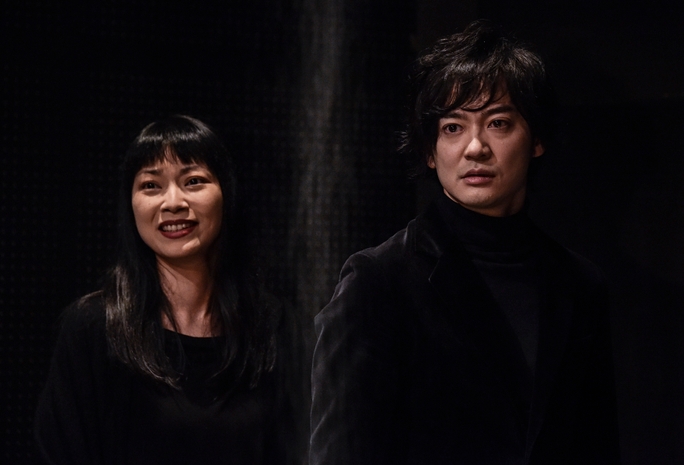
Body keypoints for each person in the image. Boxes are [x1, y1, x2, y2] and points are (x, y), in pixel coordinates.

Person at [310, 21, 620, 464]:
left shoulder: (580, 286)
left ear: (536, 139)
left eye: (498, 123)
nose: (475, 148)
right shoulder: (378, 282)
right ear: (430, 151)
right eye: (453, 127)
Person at [35, 115, 305, 465]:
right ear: (130, 204)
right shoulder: (92, 328)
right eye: (151, 185)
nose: (173, 202)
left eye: (193, 181)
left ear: (226, 193)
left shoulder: (276, 327)